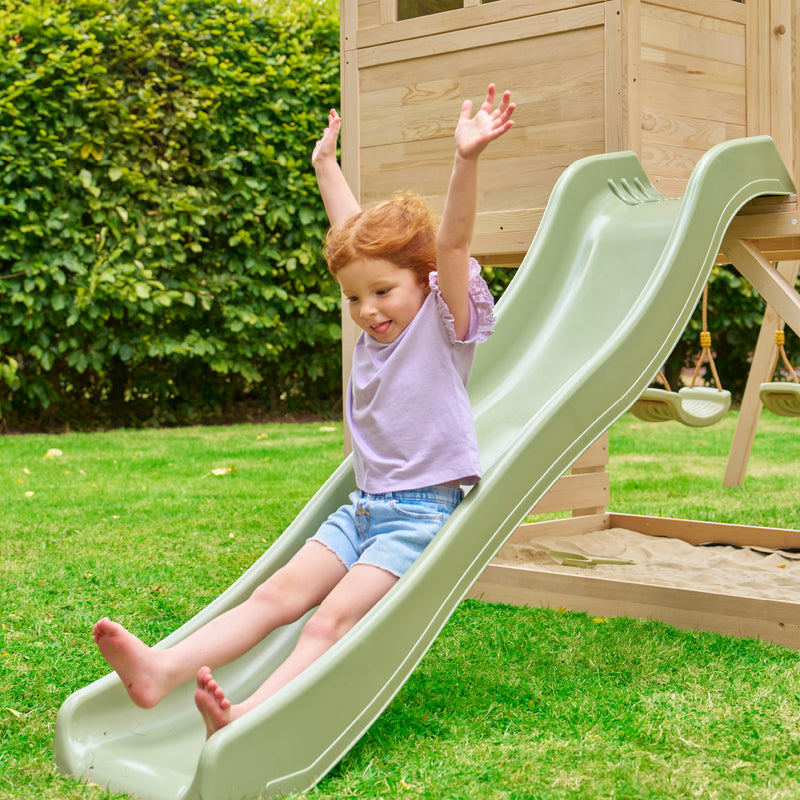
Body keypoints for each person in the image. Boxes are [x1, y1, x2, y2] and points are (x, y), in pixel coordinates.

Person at [92, 84, 515, 739]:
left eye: (383, 292)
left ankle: (249, 717)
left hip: (420, 515)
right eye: (353, 298)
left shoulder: (442, 320)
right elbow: (354, 243)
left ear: (425, 279)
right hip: (367, 507)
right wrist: (326, 166)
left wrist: (467, 160)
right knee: (275, 598)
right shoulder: (374, 322)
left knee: (327, 619)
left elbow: (453, 244)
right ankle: (160, 670)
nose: (368, 309)